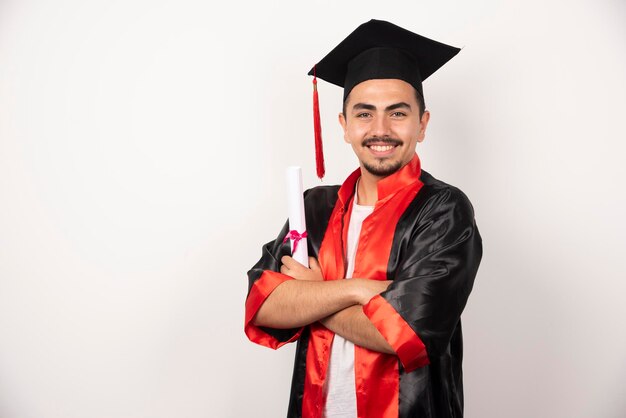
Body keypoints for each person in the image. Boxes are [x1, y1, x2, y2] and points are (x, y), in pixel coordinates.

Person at [244, 19, 482, 418]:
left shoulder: (444, 211)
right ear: (344, 126)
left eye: (398, 113)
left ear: (422, 125)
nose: (381, 130)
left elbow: (405, 334)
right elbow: (262, 305)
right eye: (365, 114)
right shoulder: (313, 208)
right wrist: (357, 290)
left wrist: (315, 294)